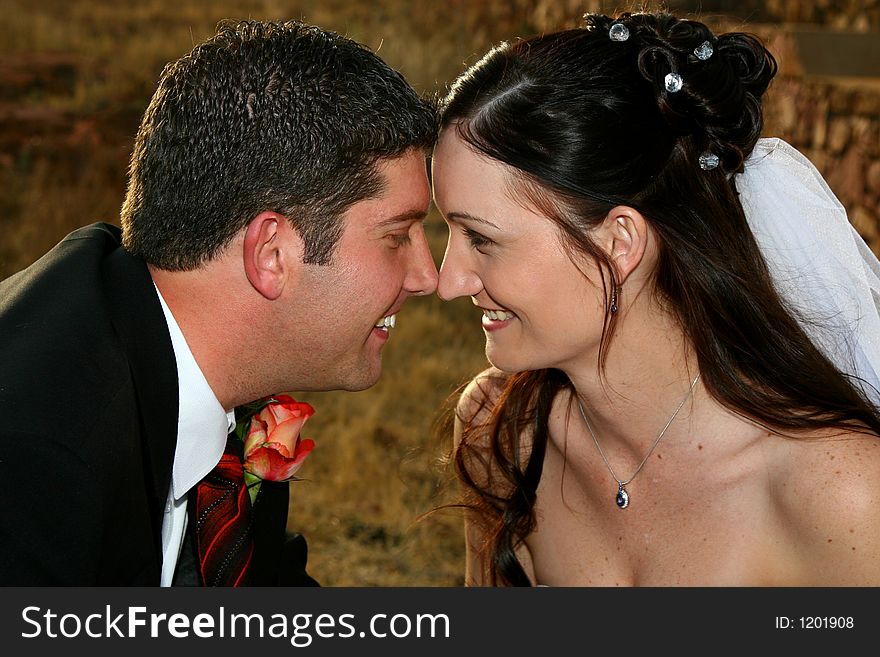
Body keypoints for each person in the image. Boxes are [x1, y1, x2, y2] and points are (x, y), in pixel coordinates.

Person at [432, 11, 880, 586]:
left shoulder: (838, 493)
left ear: (620, 241)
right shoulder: (502, 431)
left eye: (482, 238)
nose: (448, 281)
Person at [0, 20, 438, 585]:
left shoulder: (204, 360)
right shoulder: (36, 458)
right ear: (272, 253)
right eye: (398, 236)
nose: (429, 278)